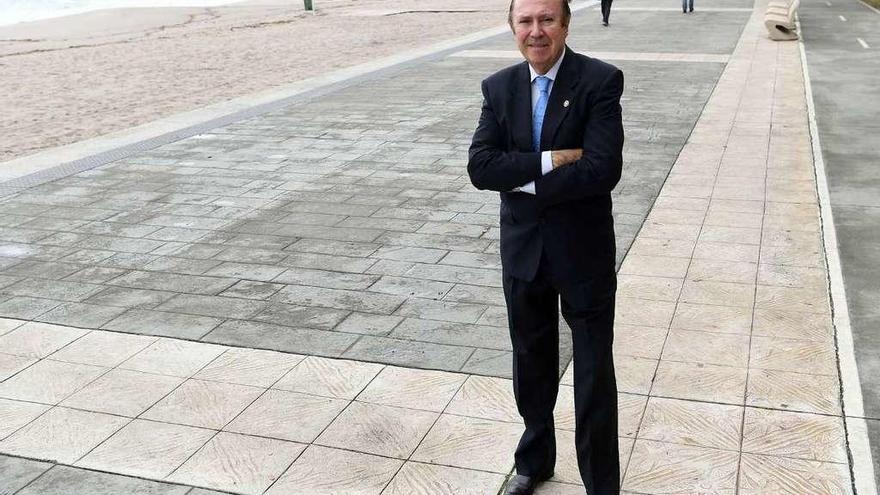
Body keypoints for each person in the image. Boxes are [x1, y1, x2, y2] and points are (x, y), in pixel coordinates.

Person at [467, 0, 624, 493]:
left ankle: (601, 483)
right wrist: (552, 160)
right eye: (526, 21)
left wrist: (522, 175)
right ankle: (534, 461)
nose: (536, 31)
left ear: (565, 24)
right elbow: (481, 168)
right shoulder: (498, 87)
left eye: (547, 20)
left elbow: (603, 170)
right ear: (512, 28)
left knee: (593, 373)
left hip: (583, 253)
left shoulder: (600, 81)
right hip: (524, 251)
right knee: (530, 361)